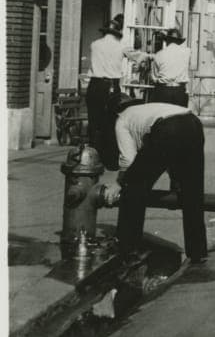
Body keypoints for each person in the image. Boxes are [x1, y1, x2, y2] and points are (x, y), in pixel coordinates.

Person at [110, 94, 207, 265]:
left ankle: (128, 248)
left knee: (133, 189)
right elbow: (170, 155)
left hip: (167, 128)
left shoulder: (121, 120)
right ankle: (197, 251)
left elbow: (128, 161)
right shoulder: (147, 109)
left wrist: (120, 183)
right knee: (193, 191)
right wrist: (176, 179)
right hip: (193, 123)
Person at [86, 15, 141, 170]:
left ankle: (91, 158)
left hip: (94, 85)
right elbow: (137, 56)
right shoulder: (121, 46)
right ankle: (109, 159)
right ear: (117, 32)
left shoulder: (94, 44)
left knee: (94, 122)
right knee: (110, 123)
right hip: (111, 86)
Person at [149, 25, 191, 107]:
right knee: (179, 117)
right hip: (180, 91)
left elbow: (154, 77)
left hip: (163, 91)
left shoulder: (159, 54)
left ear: (167, 41)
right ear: (179, 41)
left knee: (163, 117)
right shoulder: (187, 52)